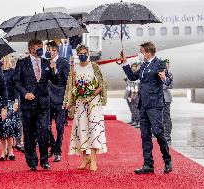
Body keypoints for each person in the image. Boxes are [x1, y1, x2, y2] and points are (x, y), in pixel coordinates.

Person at [118, 42, 173, 174]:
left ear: (148, 53)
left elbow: (169, 80)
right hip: (143, 105)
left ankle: (167, 160)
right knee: (145, 135)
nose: (140, 54)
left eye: (141, 52)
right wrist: (125, 63)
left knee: (158, 132)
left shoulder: (159, 63)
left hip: (154, 105)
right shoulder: (143, 65)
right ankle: (148, 164)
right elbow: (132, 77)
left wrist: (165, 78)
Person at [14, 39, 59, 171]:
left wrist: (53, 70)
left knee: (44, 131)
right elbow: (16, 82)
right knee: (29, 134)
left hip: (43, 104)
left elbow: (56, 81)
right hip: (28, 105)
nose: (41, 48)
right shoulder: (22, 63)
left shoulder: (46, 62)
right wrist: (24, 93)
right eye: (38, 46)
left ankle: (44, 160)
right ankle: (32, 161)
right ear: (30, 49)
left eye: (41, 46)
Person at [63, 44, 107, 172]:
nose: (82, 55)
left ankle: (93, 160)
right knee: (81, 129)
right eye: (80, 53)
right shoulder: (74, 69)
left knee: (93, 130)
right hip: (81, 103)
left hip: (94, 103)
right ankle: (85, 158)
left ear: (88, 54)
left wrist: (92, 93)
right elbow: (71, 87)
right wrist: (69, 101)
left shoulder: (94, 66)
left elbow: (102, 84)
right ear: (77, 54)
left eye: (84, 53)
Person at [47, 41, 70, 162]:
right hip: (47, 99)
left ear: (56, 51)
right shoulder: (45, 62)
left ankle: (57, 151)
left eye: (51, 50)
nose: (49, 52)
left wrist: (55, 71)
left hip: (60, 99)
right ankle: (54, 146)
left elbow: (67, 82)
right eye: (48, 50)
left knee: (60, 127)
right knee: (46, 126)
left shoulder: (64, 62)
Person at [0, 55, 20, 161]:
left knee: (9, 127)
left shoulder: (12, 71)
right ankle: (3, 151)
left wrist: (16, 101)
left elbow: (16, 87)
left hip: (10, 102)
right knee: (1, 128)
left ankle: (10, 151)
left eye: (2, 58)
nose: (0, 60)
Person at [162, 59, 173, 146]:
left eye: (167, 65)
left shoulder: (169, 74)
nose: (166, 66)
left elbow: (170, 85)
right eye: (164, 65)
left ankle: (168, 137)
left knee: (166, 118)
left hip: (165, 98)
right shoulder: (159, 73)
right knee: (159, 118)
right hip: (157, 98)